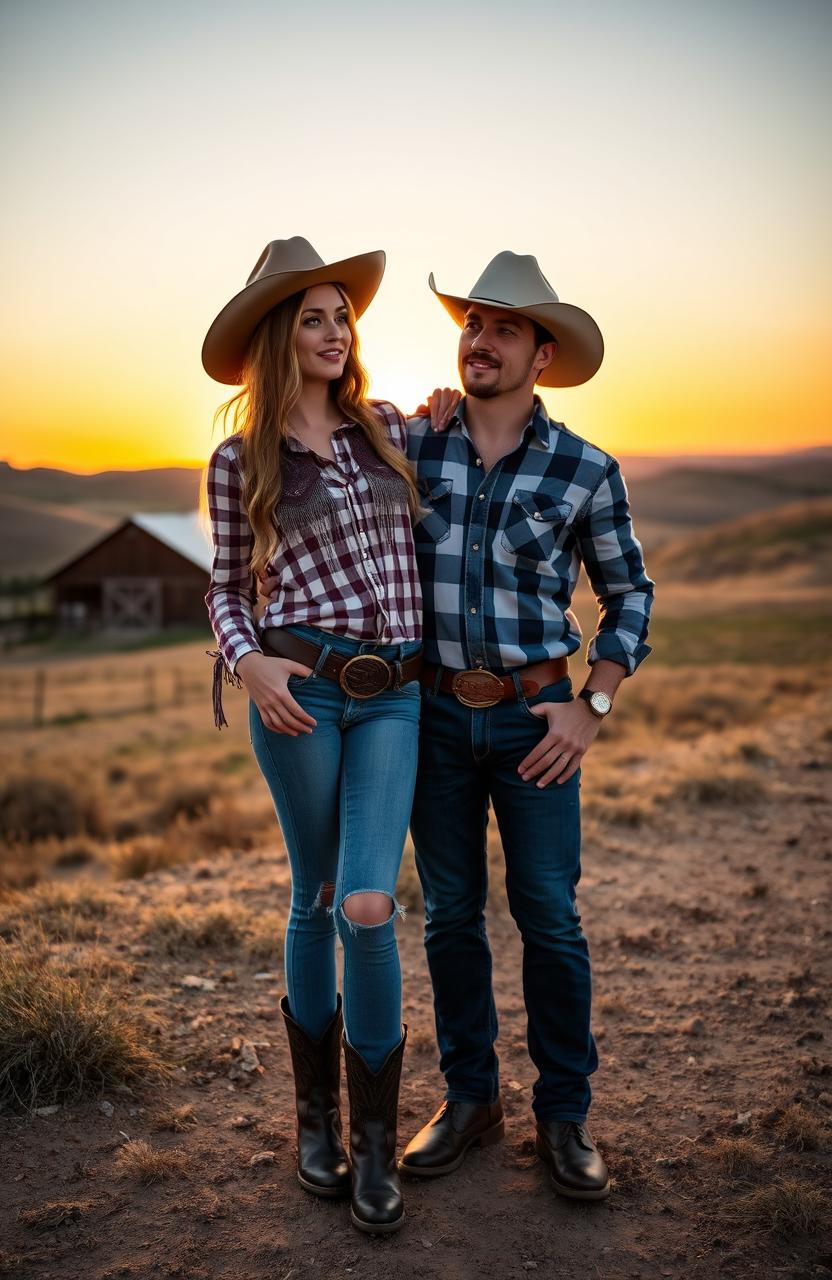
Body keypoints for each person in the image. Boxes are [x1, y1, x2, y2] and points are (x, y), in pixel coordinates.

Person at [399, 251, 654, 1201]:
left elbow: (629, 590)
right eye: (472, 324)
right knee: (451, 917)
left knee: (548, 915)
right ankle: (471, 1100)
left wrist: (594, 705)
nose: (482, 340)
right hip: (427, 719)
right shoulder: (412, 445)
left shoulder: (586, 468)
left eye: (504, 328)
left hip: (536, 723)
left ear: (542, 354)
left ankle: (565, 1115)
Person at [201, 237, 425, 1235]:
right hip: (299, 690)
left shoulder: (384, 428)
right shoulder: (237, 458)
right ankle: (315, 1124)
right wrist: (245, 661)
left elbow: (446, 432)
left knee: (370, 904)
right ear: (276, 339)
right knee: (320, 892)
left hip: (394, 695)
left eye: (343, 315)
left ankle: (376, 1139)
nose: (336, 333)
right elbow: (224, 582)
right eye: (314, 318)